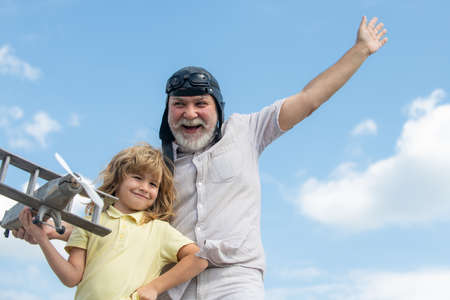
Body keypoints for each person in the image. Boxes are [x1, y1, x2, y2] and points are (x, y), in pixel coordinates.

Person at [15, 16, 387, 299]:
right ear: (168, 112)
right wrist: (48, 230)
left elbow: (309, 99)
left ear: (217, 108)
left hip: (234, 277)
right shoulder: (154, 170)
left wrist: (360, 50)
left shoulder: (248, 131)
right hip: (171, 285)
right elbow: (119, 227)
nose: (189, 113)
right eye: (179, 105)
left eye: (199, 104)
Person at [18, 144, 208, 300]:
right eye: (137, 178)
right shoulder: (90, 223)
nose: (144, 188)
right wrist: (43, 240)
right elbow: (71, 277)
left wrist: (155, 287)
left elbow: (198, 259)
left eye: (153, 184)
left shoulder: (158, 230)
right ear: (118, 180)